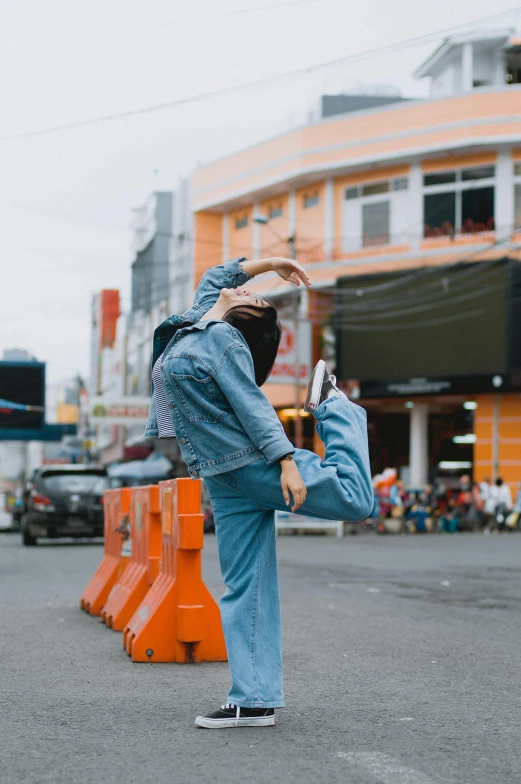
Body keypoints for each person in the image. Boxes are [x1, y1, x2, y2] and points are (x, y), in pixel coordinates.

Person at [144, 257, 373, 729]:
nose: (252, 292)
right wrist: (271, 264)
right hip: (221, 476)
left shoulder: (221, 338)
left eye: (257, 299)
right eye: (254, 294)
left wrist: (286, 461)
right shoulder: (201, 320)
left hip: (253, 463)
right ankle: (253, 699)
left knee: (355, 499)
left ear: (243, 319)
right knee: (244, 587)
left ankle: (336, 408)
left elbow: (254, 406)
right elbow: (215, 277)